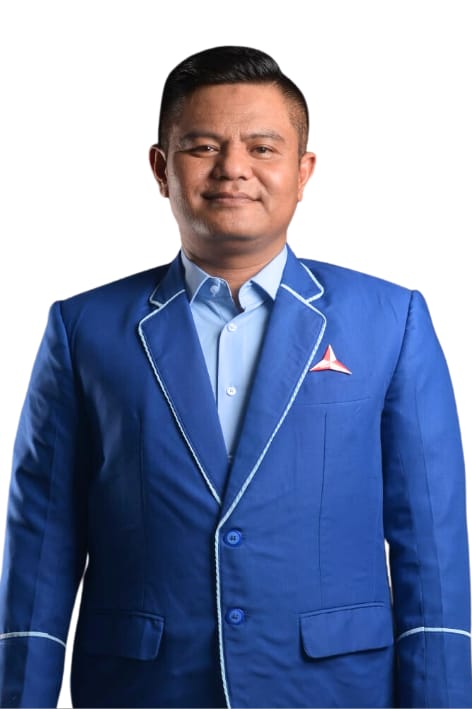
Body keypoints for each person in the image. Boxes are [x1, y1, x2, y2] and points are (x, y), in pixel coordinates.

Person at [0, 45, 470, 709]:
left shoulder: (392, 321)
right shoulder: (84, 329)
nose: (233, 169)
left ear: (303, 171)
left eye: (262, 148)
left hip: (336, 688)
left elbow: (433, 547)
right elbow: (41, 543)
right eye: (203, 147)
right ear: (161, 168)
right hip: (144, 689)